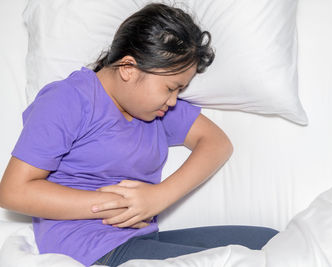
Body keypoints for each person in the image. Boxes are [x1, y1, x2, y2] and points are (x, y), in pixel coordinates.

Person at [0, 3, 278, 267]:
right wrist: (118, 205)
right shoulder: (68, 99)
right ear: (128, 69)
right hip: (90, 248)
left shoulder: (155, 111)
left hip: (138, 240)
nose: (173, 100)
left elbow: (217, 143)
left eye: (180, 90)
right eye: (171, 87)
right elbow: (13, 191)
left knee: (272, 241)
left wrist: (159, 197)